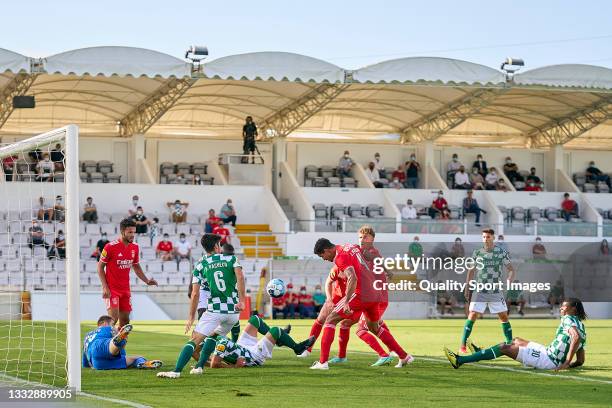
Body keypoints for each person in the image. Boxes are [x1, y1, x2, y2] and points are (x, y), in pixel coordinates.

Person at [310, 238, 412, 370]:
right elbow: (371, 256)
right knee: (374, 328)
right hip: (373, 292)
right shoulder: (351, 246)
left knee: (330, 319)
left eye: (322, 255)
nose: (323, 258)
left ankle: (323, 363)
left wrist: (346, 301)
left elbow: (352, 276)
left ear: (327, 250)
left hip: (360, 293)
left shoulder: (340, 257)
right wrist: (386, 270)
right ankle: (404, 356)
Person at [157, 233, 246, 378]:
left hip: (215, 310)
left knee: (193, 341)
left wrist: (191, 316)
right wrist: (241, 300)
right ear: (217, 246)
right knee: (212, 336)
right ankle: (199, 367)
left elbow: (194, 294)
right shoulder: (231, 259)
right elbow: (240, 277)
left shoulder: (201, 264)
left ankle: (176, 371)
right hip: (233, 313)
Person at [445, 298, 587, 371]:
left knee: (504, 348)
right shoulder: (582, 326)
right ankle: (480, 352)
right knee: (516, 340)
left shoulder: (568, 319)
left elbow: (575, 337)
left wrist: (566, 363)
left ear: (573, 309)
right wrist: (570, 364)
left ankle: (460, 361)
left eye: (564, 306)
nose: (561, 307)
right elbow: (580, 360)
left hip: (549, 360)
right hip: (548, 352)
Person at [460, 228, 515, 354]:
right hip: (480, 289)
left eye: (488, 237)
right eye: (484, 237)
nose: (486, 239)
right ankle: (462, 345)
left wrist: (509, 278)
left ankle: (510, 344)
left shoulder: (501, 252)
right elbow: (471, 270)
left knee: (503, 316)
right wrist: (467, 286)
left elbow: (511, 269)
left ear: (493, 238)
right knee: (472, 315)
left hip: (495, 290)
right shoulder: (477, 252)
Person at [97, 218, 158, 329]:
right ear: (122, 232)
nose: (132, 235)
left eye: (134, 232)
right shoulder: (110, 247)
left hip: (125, 289)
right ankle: (99, 341)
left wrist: (147, 280)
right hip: (112, 289)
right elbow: (100, 267)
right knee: (113, 320)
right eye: (130, 232)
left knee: (125, 322)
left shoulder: (135, 247)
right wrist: (105, 288)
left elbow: (136, 265)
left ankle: (118, 346)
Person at [209, 316, 314, 368]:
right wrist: (235, 366)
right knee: (276, 330)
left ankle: (279, 339)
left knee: (255, 320)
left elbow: (202, 357)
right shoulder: (219, 343)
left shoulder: (212, 339)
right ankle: (297, 348)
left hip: (240, 347)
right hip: (252, 356)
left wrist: (199, 365)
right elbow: (214, 364)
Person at [83, 315, 162, 370]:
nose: (113, 326)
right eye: (113, 324)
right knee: (112, 344)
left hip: (98, 364)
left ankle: (143, 363)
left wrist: (91, 365)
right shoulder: (107, 328)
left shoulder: (87, 335)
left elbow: (85, 364)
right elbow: (122, 353)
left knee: (136, 358)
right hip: (100, 345)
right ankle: (119, 340)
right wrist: (122, 343)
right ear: (104, 323)